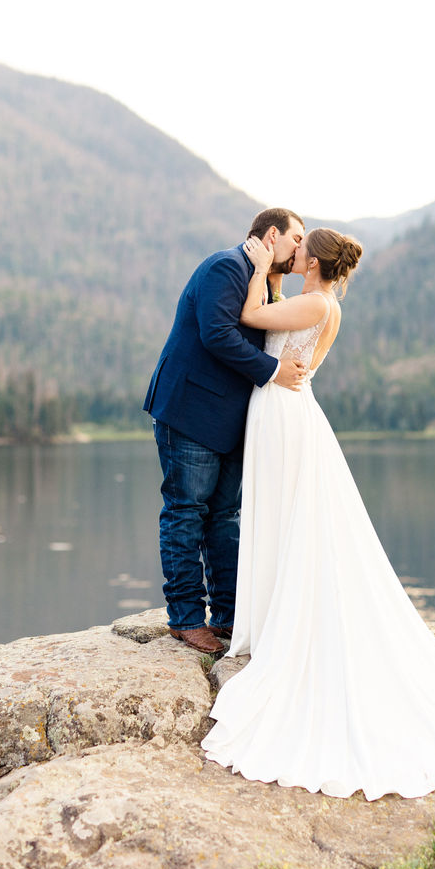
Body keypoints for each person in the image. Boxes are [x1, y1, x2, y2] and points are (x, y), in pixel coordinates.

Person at [201, 228, 435, 801]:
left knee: (281, 516)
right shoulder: (327, 306)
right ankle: (275, 612)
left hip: (282, 410)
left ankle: (279, 620)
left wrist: (255, 264)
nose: (292, 253)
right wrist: (275, 277)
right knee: (289, 518)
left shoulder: (312, 301)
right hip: (292, 407)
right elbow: (287, 341)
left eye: (299, 250)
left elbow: (250, 314)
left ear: (313, 262)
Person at [143, 208, 306, 654]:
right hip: (192, 411)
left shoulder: (260, 280)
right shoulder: (226, 266)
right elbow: (216, 333)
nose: (299, 251)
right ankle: (186, 619)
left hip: (233, 421)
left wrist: (269, 281)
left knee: (225, 518)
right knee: (185, 512)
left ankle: (230, 619)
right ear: (272, 234)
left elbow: (260, 327)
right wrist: (273, 371)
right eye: (296, 240)